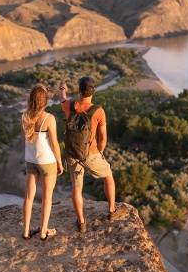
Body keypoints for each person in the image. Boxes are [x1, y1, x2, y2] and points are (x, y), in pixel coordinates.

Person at [60, 76, 120, 232]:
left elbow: (62, 99)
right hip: (90, 154)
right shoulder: (98, 111)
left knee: (76, 187)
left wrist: (63, 89)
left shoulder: (69, 106)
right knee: (108, 175)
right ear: (94, 91)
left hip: (72, 152)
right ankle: (112, 210)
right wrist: (100, 151)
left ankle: (81, 222)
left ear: (79, 90)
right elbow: (103, 137)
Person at [21, 83, 63, 241]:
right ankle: (44, 231)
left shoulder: (24, 117)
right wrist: (59, 162)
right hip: (46, 161)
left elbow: (23, 140)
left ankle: (26, 231)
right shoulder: (49, 118)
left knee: (28, 197)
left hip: (30, 160)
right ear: (44, 101)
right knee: (47, 197)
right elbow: (54, 144)